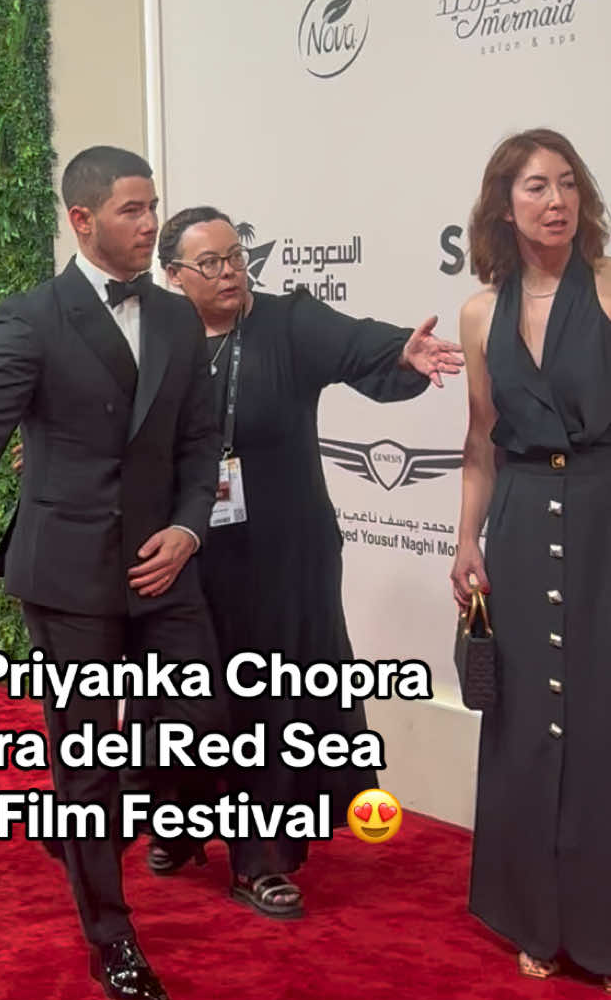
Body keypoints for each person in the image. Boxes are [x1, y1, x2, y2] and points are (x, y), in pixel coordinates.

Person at [0, 146, 224, 1000]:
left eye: (154, 207)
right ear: (82, 220)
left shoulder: (176, 318)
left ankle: (79, 826)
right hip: (68, 573)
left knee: (204, 718)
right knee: (87, 761)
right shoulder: (34, 318)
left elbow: (203, 443)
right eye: (133, 209)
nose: (149, 223)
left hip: (164, 566)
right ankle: (111, 938)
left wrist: (188, 525)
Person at [160, 206, 462, 917]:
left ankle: (260, 856)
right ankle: (183, 818)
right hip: (189, 553)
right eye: (210, 262)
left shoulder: (288, 321)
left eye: (235, 255)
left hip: (284, 555)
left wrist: (404, 354)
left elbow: (360, 346)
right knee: (189, 695)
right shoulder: (156, 337)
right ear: (173, 276)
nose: (230, 270)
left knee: (269, 699)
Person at [451, 129, 611, 991]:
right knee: (525, 724)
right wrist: (466, 536)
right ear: (502, 206)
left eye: (568, 184)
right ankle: (534, 916)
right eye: (536, 186)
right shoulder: (482, 313)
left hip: (602, 516)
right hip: (515, 519)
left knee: (600, 718)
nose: (557, 201)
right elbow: (480, 442)